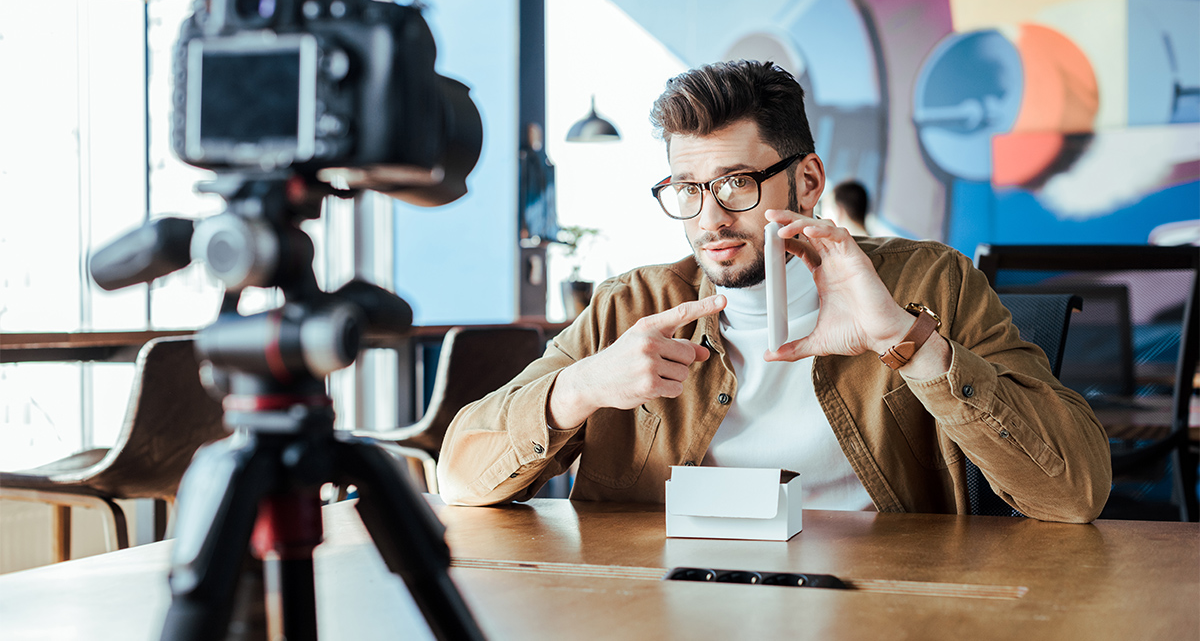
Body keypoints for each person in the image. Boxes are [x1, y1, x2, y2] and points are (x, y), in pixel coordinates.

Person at [438, 60, 1111, 522]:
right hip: (660, 606)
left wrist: (908, 342)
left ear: (808, 181)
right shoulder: (629, 306)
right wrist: (582, 386)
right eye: (687, 189)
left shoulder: (932, 282)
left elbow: (1076, 492)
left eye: (737, 183)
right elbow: (459, 476)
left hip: (879, 605)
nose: (709, 218)